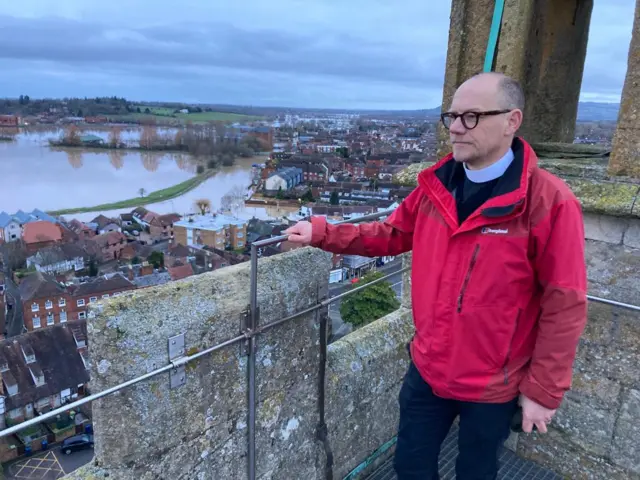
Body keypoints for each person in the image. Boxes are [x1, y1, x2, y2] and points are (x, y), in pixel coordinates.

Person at [284, 72, 588, 480]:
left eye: (473, 116)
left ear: (512, 121)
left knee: (476, 472)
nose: (457, 127)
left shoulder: (549, 202)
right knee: (410, 465)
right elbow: (392, 233)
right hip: (428, 368)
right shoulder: (435, 187)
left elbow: (564, 302)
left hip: (493, 384)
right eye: (453, 116)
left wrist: (543, 392)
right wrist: (322, 232)